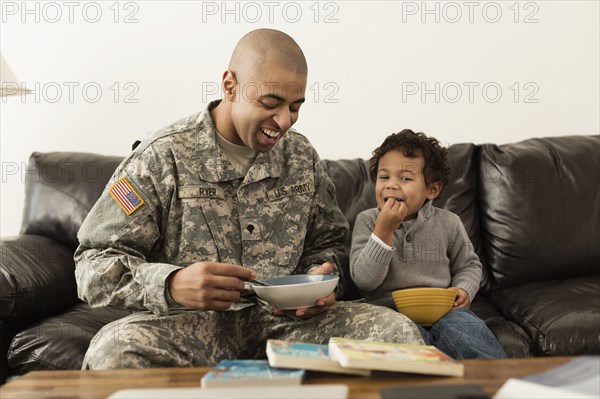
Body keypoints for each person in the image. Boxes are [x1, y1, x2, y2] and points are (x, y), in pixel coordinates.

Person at [74, 29, 423, 369]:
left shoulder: (300, 156)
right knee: (113, 352)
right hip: (191, 325)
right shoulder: (160, 159)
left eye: (295, 107)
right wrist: (171, 285)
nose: (284, 121)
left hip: (289, 325)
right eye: (271, 103)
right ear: (229, 85)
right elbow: (92, 264)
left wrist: (322, 281)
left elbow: (331, 244)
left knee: (399, 334)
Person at [350, 129, 506, 359]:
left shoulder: (449, 223)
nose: (391, 185)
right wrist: (383, 232)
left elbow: (469, 265)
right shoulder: (368, 221)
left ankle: (497, 383)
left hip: (443, 310)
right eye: (384, 177)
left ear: (432, 189)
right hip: (389, 312)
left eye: (405, 178)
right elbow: (364, 279)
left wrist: (464, 289)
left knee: (469, 332)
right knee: (410, 346)